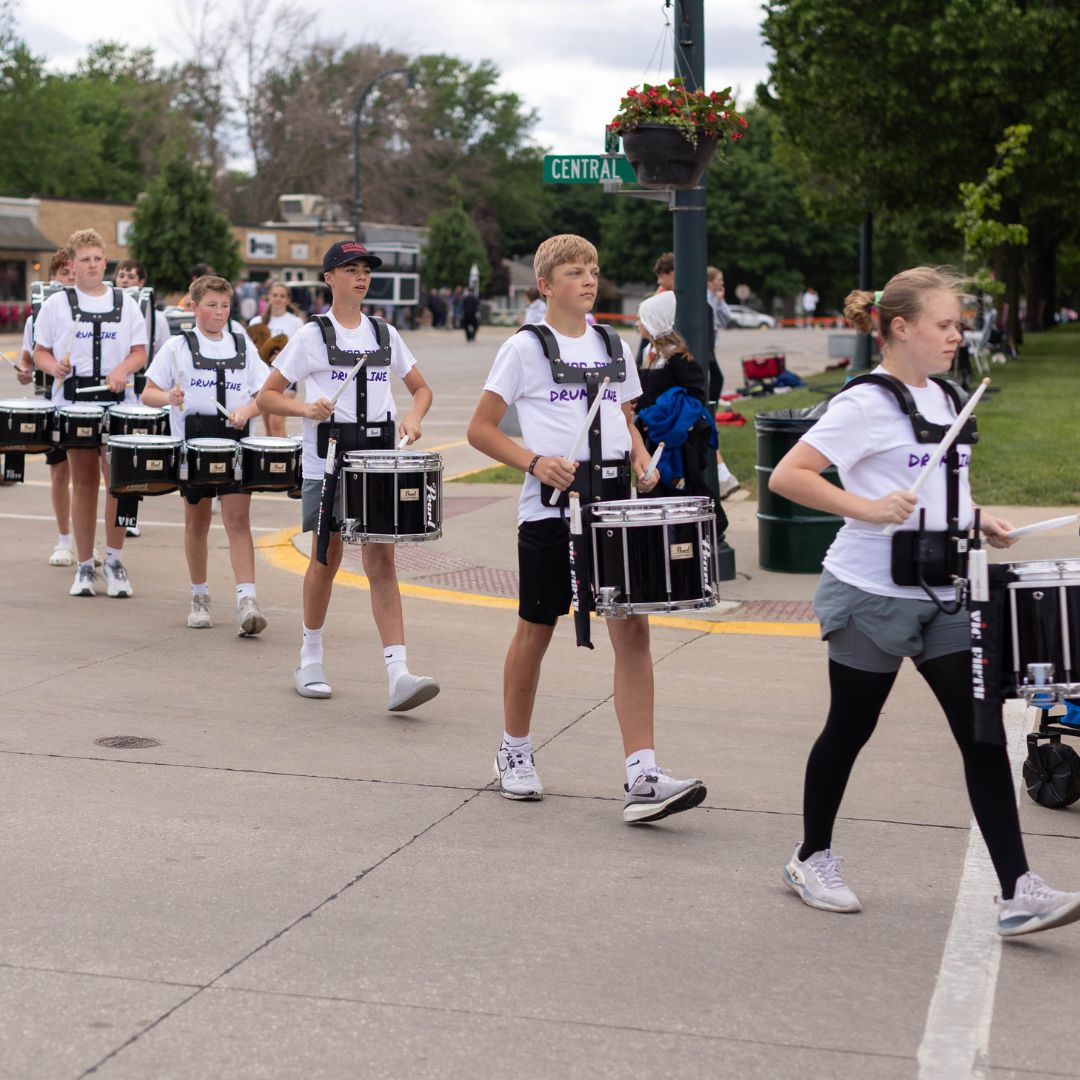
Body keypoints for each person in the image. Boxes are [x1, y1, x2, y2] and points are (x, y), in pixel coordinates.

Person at [769, 266, 1080, 937]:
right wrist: (867, 507)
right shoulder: (862, 404)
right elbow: (790, 476)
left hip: (943, 595)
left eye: (957, 325)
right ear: (900, 327)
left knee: (982, 734)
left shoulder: (948, 396)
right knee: (850, 729)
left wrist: (978, 519)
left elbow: (946, 488)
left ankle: (1018, 890)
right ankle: (810, 857)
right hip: (868, 595)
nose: (955, 335)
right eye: (944, 324)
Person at [466, 233, 707, 823]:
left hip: (614, 507)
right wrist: (534, 462)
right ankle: (513, 750)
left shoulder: (612, 343)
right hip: (552, 508)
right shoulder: (524, 348)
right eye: (574, 272)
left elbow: (624, 417)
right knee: (536, 629)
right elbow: (480, 429)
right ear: (546, 285)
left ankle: (643, 775)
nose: (589, 280)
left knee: (634, 632)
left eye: (593, 270)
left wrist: (642, 459)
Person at [256, 240, 440, 711]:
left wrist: (413, 416)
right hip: (329, 462)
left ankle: (398, 673)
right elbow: (267, 396)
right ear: (329, 278)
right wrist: (306, 408)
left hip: (376, 464)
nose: (361, 277)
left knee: (382, 562)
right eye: (350, 269)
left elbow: (421, 389)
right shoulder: (311, 336)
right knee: (326, 557)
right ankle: (310, 659)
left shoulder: (385, 333)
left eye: (365, 270)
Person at [142, 276, 268, 633]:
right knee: (197, 522)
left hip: (236, 443)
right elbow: (148, 392)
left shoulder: (242, 344)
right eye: (212, 305)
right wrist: (168, 398)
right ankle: (200, 596)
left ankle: (247, 600)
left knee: (238, 520)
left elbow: (265, 394)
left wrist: (247, 410)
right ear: (194, 307)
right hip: (193, 445)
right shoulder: (177, 346)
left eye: (225, 305)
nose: (219, 312)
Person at [33, 229, 146, 598]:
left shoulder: (126, 303)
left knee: (117, 483)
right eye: (85, 260)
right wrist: (54, 366)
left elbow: (139, 351)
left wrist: (122, 370)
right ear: (72, 264)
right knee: (82, 484)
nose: (93, 265)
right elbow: (40, 351)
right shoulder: (56, 304)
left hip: (118, 404)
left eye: (98, 258)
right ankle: (84, 565)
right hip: (75, 404)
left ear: (105, 261)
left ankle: (114, 561)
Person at [634, 291, 737, 503]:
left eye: (640, 319)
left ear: (653, 322)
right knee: (653, 484)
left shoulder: (675, 355)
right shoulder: (648, 353)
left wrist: (671, 420)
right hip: (651, 432)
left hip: (675, 437)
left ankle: (710, 520)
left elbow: (696, 393)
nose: (637, 324)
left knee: (684, 487)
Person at [16, 250, 84, 566]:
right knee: (59, 474)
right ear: (52, 278)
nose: (69, 278)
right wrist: (24, 371)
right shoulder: (38, 317)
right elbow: (27, 360)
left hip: (85, 404)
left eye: (73, 273)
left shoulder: (94, 312)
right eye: (63, 273)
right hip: (52, 401)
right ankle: (64, 540)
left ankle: (87, 542)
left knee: (87, 479)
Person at [249, 281, 304, 437]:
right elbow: (252, 352)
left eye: (282, 296)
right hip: (264, 374)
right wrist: (265, 353)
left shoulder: (296, 322)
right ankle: (271, 452)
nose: (278, 298)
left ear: (288, 299)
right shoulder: (257, 322)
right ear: (268, 297)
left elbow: (300, 351)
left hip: (285, 375)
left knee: (276, 422)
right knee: (267, 425)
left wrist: (282, 356)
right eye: (275, 295)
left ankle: (283, 452)